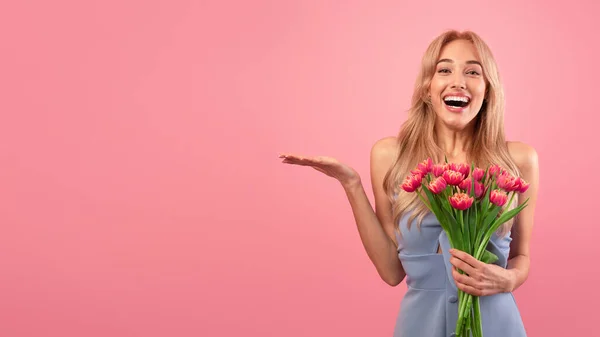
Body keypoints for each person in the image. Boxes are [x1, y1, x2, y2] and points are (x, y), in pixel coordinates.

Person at [278, 30, 539, 337]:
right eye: (444, 70)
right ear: (428, 88)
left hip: (497, 325)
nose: (458, 81)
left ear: (488, 90)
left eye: (472, 72)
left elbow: (520, 256)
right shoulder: (391, 156)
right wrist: (351, 184)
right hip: (420, 326)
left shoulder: (518, 160)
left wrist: (507, 280)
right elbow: (391, 271)